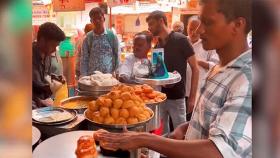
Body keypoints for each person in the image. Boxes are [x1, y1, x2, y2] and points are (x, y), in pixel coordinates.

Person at [97, 0, 252, 157]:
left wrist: (143, 139)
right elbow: (209, 122)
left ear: (237, 25)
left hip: (178, 96)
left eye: (208, 22)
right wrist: (186, 128)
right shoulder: (218, 69)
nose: (199, 30)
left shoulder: (248, 80)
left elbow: (219, 152)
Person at [144, 11, 199, 134]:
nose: (149, 28)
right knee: (163, 134)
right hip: (160, 97)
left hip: (177, 97)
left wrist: (192, 98)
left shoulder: (181, 40)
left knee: (181, 134)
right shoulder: (157, 46)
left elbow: (195, 68)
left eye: (151, 24)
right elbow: (157, 73)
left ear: (161, 21)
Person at [185, 15, 220, 119]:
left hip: (198, 90)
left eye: (196, 30)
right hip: (183, 90)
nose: (193, 33)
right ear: (187, 27)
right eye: (190, 29)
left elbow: (215, 66)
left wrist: (196, 61)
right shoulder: (183, 42)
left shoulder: (208, 44)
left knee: (194, 119)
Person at [32, 22, 66, 108]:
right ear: (42, 40)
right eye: (53, 45)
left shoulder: (47, 56)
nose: (54, 50)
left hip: (43, 107)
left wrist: (55, 81)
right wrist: (39, 100)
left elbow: (41, 82)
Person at [80, 7, 119, 76]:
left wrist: (117, 72)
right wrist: (84, 76)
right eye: (94, 19)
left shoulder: (112, 36)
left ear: (103, 19)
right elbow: (84, 58)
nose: (97, 21)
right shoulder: (88, 38)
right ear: (91, 21)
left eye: (99, 18)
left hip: (108, 77)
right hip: (92, 77)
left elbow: (117, 55)